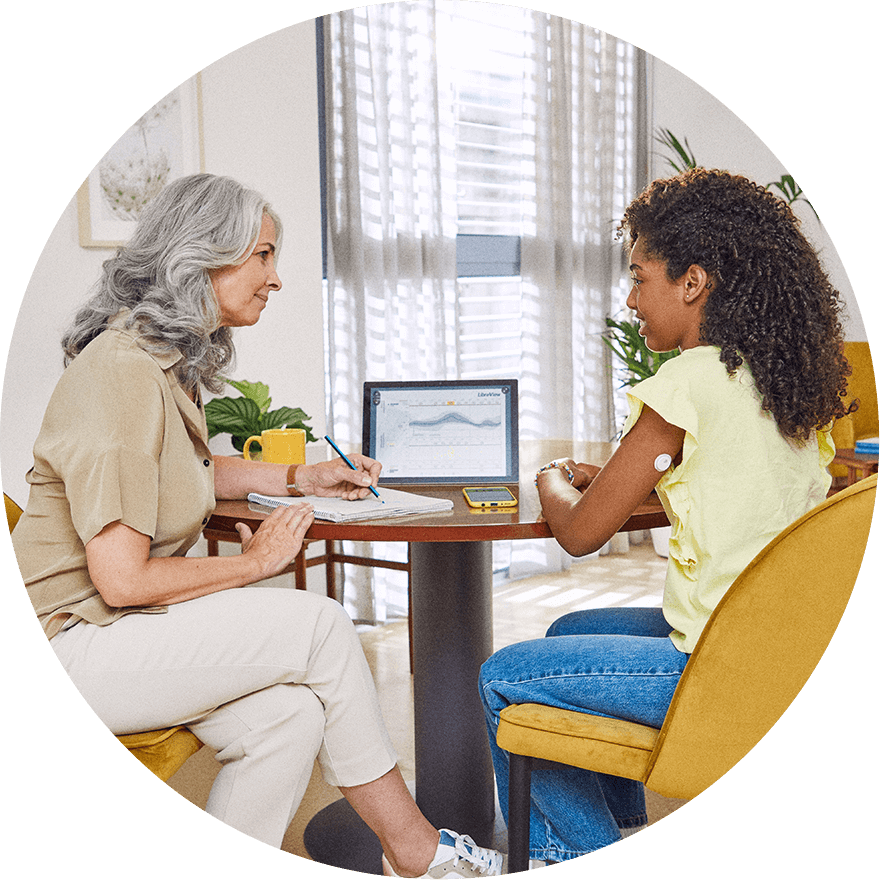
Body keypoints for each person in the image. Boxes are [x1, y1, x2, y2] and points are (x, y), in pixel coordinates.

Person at [13, 173, 504, 878]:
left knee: (289, 718)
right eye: (264, 255)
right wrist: (251, 564)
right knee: (322, 625)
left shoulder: (157, 364)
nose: (276, 278)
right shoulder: (120, 373)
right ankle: (419, 854)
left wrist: (300, 475)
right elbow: (120, 579)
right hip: (78, 641)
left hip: (115, 630)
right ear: (202, 254)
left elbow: (189, 473)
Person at [479, 168, 853, 863]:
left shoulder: (687, 379)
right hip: (783, 646)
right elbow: (732, 485)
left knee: (501, 673)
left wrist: (550, 476)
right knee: (571, 627)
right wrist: (614, 481)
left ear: (692, 282)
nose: (629, 300)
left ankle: (574, 850)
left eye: (638, 276)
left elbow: (581, 531)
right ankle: (620, 828)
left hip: (718, 662)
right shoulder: (785, 381)